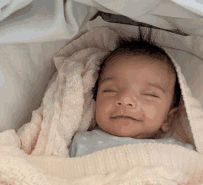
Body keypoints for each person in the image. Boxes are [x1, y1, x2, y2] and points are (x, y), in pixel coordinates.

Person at [69, 29, 194, 158]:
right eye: (110, 90)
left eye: (149, 94)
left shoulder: (177, 152)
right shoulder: (80, 142)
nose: (125, 99)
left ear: (168, 118)